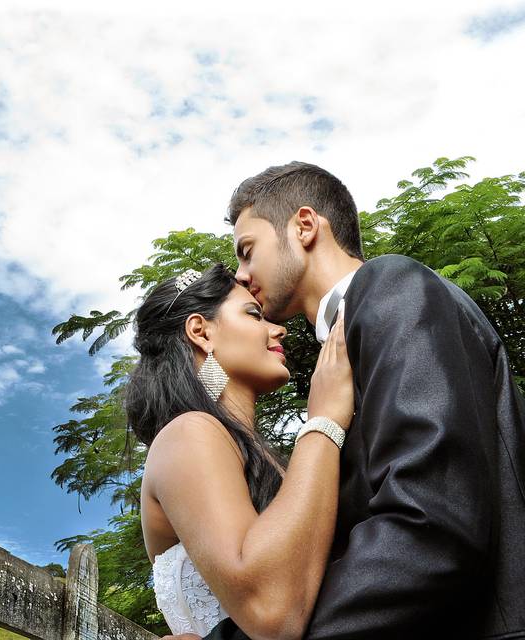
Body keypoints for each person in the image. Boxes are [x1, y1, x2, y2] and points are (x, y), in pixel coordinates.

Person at [164, 161, 525, 640]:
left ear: (305, 226)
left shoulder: (391, 285)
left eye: (247, 252)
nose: (242, 274)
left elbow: (433, 528)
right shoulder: (339, 353)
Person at [132, 263, 355, 639]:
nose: (278, 329)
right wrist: (324, 421)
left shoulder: (258, 457)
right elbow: (271, 611)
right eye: (254, 315)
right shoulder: (189, 433)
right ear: (201, 332)